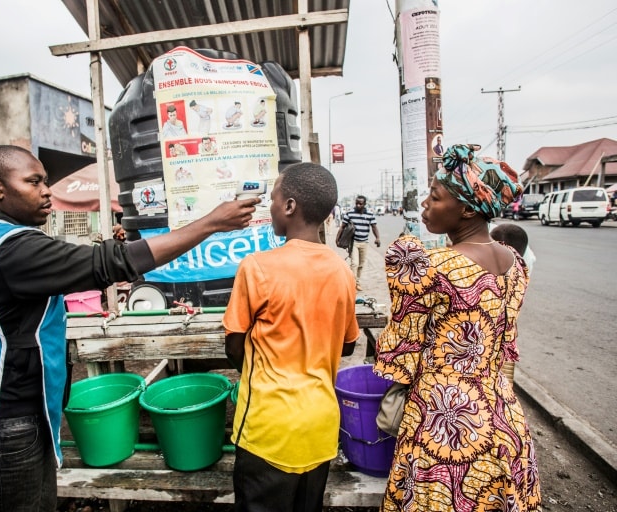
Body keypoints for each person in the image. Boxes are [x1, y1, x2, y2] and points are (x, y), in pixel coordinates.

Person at [0, 145, 259, 512]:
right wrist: (212, 223)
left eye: (45, 181)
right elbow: (109, 264)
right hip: (7, 422)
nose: (46, 190)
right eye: (33, 182)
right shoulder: (10, 249)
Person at [373, 144, 541, 511]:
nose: (425, 205)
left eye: (434, 197)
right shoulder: (515, 263)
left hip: (443, 426)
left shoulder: (426, 264)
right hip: (503, 419)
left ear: (466, 209)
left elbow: (400, 356)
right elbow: (505, 341)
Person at [223, 162, 359, 512]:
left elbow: (233, 345)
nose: (270, 206)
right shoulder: (342, 271)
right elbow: (348, 344)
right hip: (320, 428)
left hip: (269, 429)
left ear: (289, 206)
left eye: (273, 199)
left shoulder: (257, 267)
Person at [335, 195, 380, 291]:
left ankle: (357, 282)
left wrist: (377, 238)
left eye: (360, 204)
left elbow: (374, 227)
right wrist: (337, 238)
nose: (358, 205)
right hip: (354, 242)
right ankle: (353, 283)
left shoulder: (370, 214)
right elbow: (342, 227)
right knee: (354, 263)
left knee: (361, 264)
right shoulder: (350, 214)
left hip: (364, 242)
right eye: (356, 203)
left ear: (364, 204)